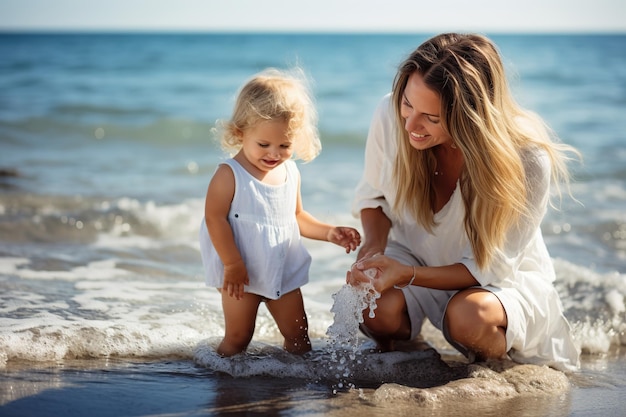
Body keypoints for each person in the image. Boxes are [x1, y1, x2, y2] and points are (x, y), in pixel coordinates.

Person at [347, 33, 580, 370]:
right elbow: (374, 196)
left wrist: (407, 274)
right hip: (413, 255)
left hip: (494, 284)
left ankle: (493, 372)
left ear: (471, 118)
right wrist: (372, 250)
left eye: (432, 117)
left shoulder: (526, 158)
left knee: (469, 317)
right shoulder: (389, 112)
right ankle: (408, 355)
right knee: (370, 305)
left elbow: (490, 268)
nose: (410, 124)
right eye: (408, 104)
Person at [200, 68, 361, 357]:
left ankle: (289, 391)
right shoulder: (230, 174)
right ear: (240, 132)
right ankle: (223, 385)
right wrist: (233, 264)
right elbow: (214, 219)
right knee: (238, 338)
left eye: (285, 145)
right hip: (241, 273)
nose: (274, 153)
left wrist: (330, 232)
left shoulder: (289, 172)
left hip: (281, 269)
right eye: (264, 144)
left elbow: (296, 217)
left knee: (299, 338)